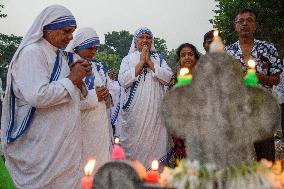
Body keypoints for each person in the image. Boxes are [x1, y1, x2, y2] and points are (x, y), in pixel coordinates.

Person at [1, 5, 91, 189]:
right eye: (66, 31)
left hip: (62, 146)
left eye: (72, 32)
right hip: (41, 148)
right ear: (48, 28)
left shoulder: (62, 56)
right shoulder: (32, 53)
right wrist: (72, 79)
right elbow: (38, 96)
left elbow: (71, 91)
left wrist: (79, 80)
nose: (71, 37)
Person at [225, 8, 283, 161]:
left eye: (249, 20)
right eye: (241, 21)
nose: (245, 24)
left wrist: (258, 77)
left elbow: (276, 79)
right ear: (235, 26)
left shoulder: (267, 48)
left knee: (265, 159)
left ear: (255, 26)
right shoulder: (227, 52)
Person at [118, 27, 173, 168]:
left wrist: (149, 62)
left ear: (152, 41)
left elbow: (168, 78)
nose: (145, 40)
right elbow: (123, 81)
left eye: (148, 37)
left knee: (156, 151)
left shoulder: (159, 59)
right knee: (135, 151)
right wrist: (141, 62)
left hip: (155, 116)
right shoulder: (127, 59)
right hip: (134, 116)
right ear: (135, 41)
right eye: (141, 37)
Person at [66, 27, 112, 172]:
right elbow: (67, 101)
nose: (93, 52)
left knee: (101, 166)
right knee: (83, 169)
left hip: (99, 128)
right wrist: (95, 96)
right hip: (81, 128)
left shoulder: (97, 68)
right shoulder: (69, 67)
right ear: (77, 47)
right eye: (89, 48)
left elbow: (106, 99)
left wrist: (106, 95)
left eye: (96, 48)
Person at [107, 69, 121, 135]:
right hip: (111, 104)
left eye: (114, 73)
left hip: (118, 104)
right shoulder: (107, 82)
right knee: (111, 120)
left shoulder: (117, 83)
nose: (113, 75)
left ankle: (117, 135)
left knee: (118, 120)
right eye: (111, 73)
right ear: (108, 74)